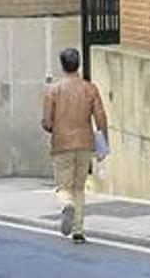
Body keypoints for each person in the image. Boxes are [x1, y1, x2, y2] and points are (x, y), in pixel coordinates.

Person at [41, 48, 108, 244]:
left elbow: (46, 122)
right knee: (79, 187)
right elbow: (101, 117)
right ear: (78, 64)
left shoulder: (53, 90)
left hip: (62, 143)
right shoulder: (90, 89)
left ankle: (66, 205)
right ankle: (78, 231)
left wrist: (55, 128)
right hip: (85, 143)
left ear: (62, 65)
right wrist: (103, 144)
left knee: (64, 187)